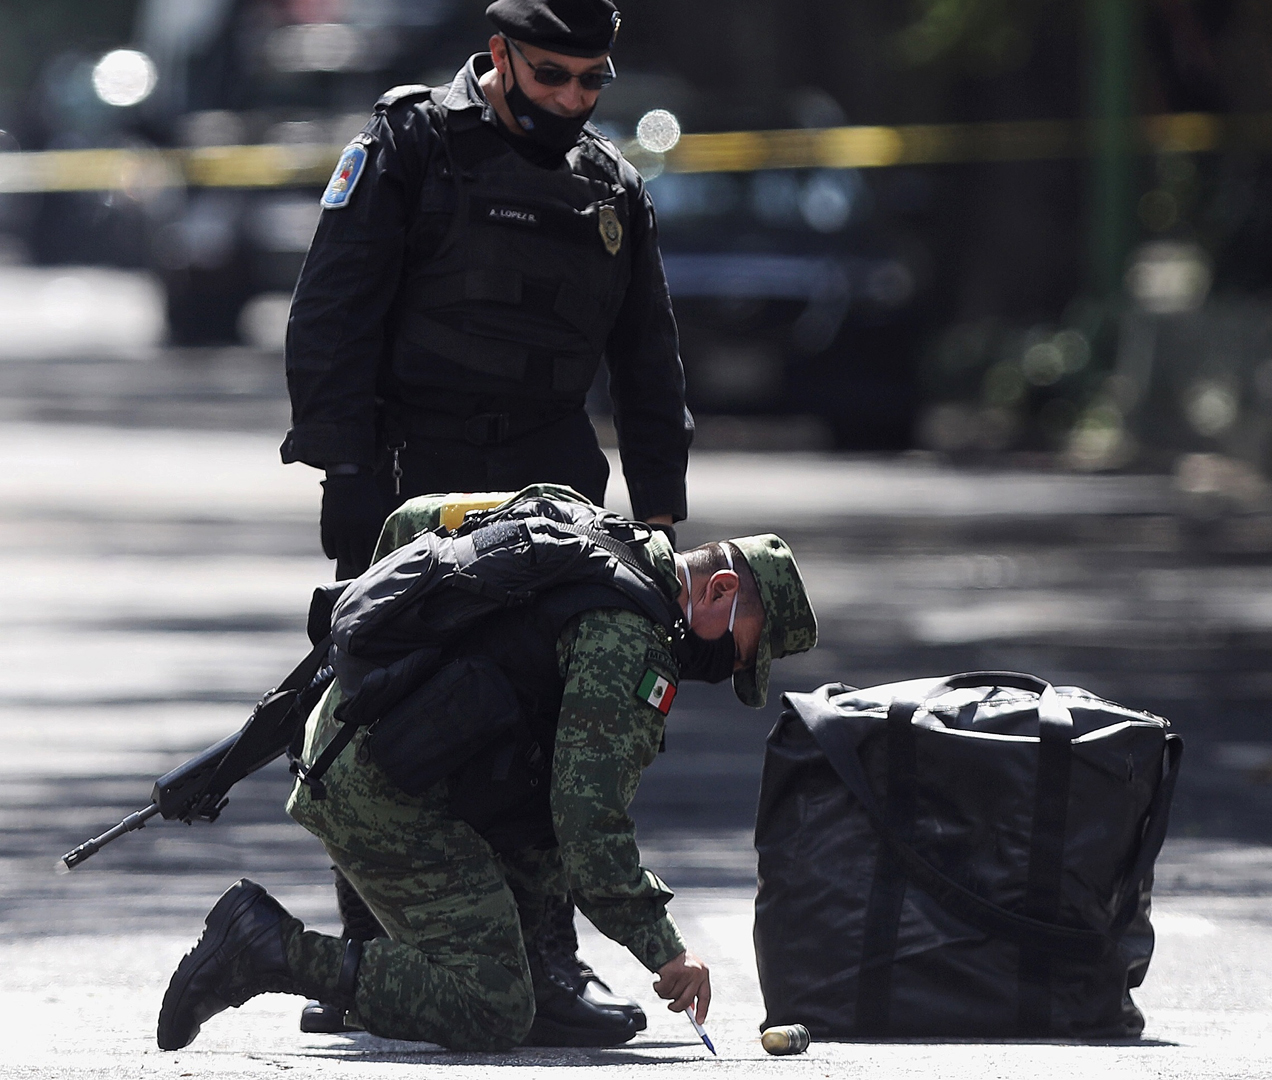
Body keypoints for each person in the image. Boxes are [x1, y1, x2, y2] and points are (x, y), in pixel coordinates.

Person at [279, 0, 692, 1034]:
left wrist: (660, 513)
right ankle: (377, 949)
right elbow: (331, 311)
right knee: (384, 701)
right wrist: (347, 470)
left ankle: (546, 959)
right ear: (500, 57)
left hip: (551, 485)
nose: (572, 100)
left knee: (539, 717)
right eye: (551, 76)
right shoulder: (411, 147)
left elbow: (649, 361)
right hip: (413, 474)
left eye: (591, 82)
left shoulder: (610, 185)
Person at [154, 487, 819, 1052]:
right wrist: (668, 952)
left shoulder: (584, 522)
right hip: (388, 794)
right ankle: (264, 948)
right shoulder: (631, 642)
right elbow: (589, 826)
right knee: (494, 1006)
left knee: (525, 890)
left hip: (352, 733)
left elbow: (417, 520)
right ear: (722, 589)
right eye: (739, 652)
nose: (726, 668)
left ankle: (409, 972)